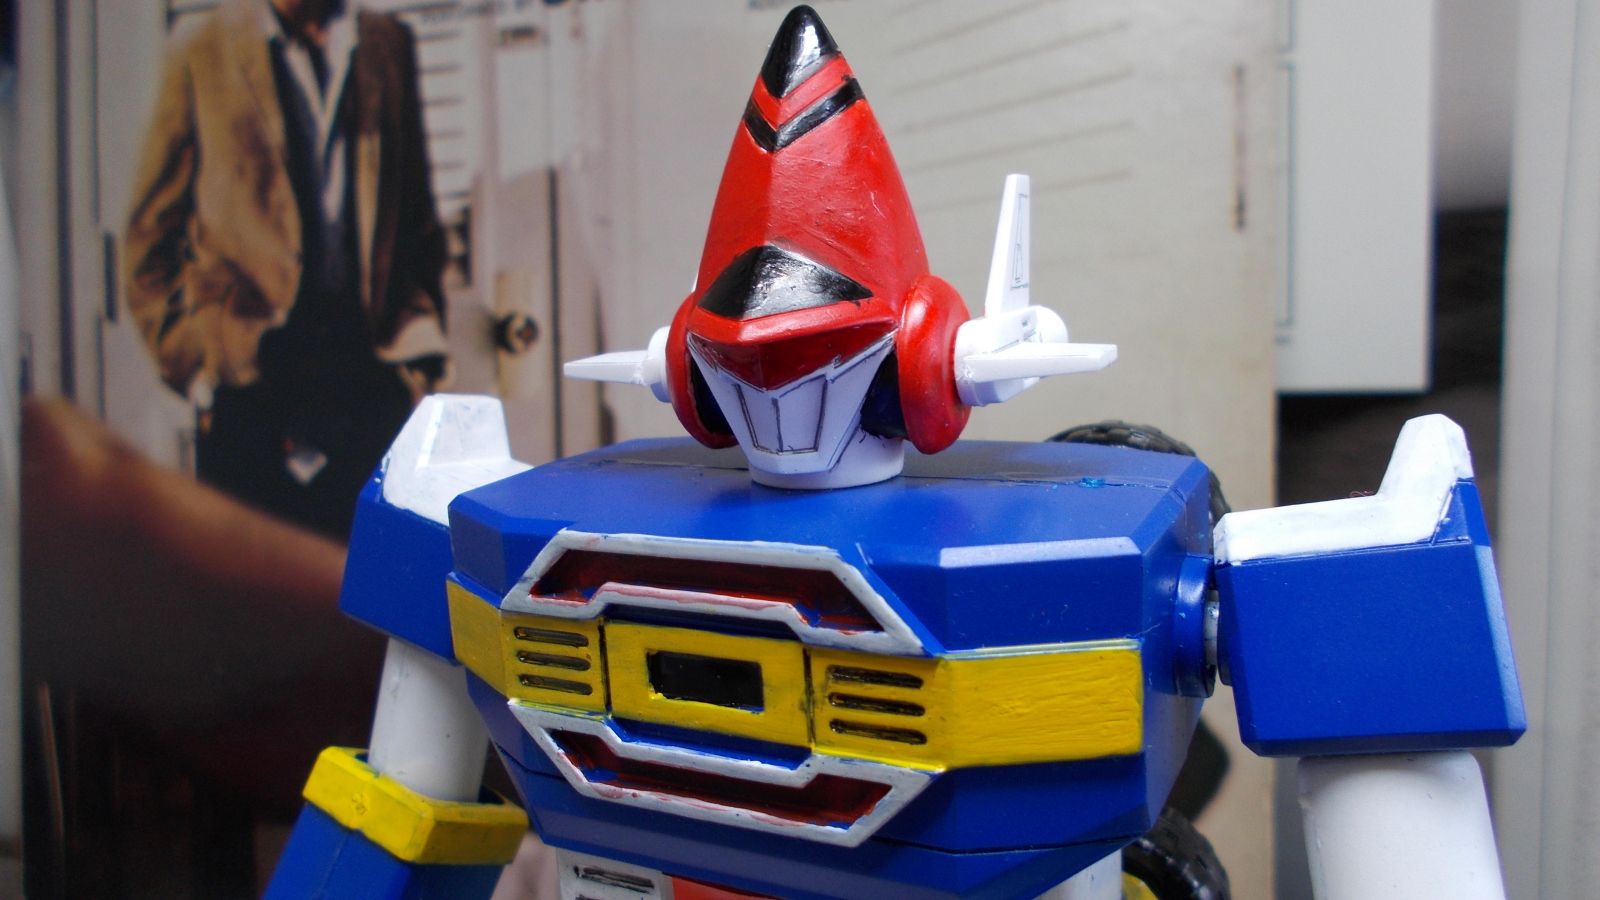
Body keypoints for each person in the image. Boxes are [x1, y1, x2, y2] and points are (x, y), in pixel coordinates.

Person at [124, 0, 449, 539]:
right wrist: (200, 372)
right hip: (248, 391)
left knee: (369, 583)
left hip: (369, 392)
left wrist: (418, 370)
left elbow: (419, 230)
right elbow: (148, 243)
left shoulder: (388, 45)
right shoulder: (200, 48)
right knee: (251, 584)